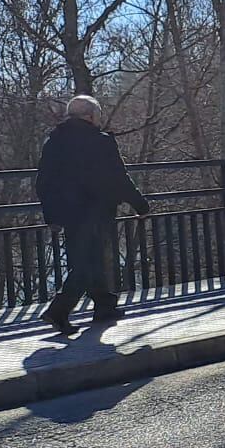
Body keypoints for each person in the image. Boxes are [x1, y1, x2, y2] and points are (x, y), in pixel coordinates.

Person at [35, 94, 150, 334]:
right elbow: (118, 178)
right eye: (98, 115)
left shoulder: (54, 142)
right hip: (96, 210)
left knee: (90, 259)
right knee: (86, 265)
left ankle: (104, 305)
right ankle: (59, 310)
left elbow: (44, 182)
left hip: (69, 213)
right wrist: (140, 204)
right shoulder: (101, 142)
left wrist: (52, 216)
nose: (99, 119)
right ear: (90, 117)